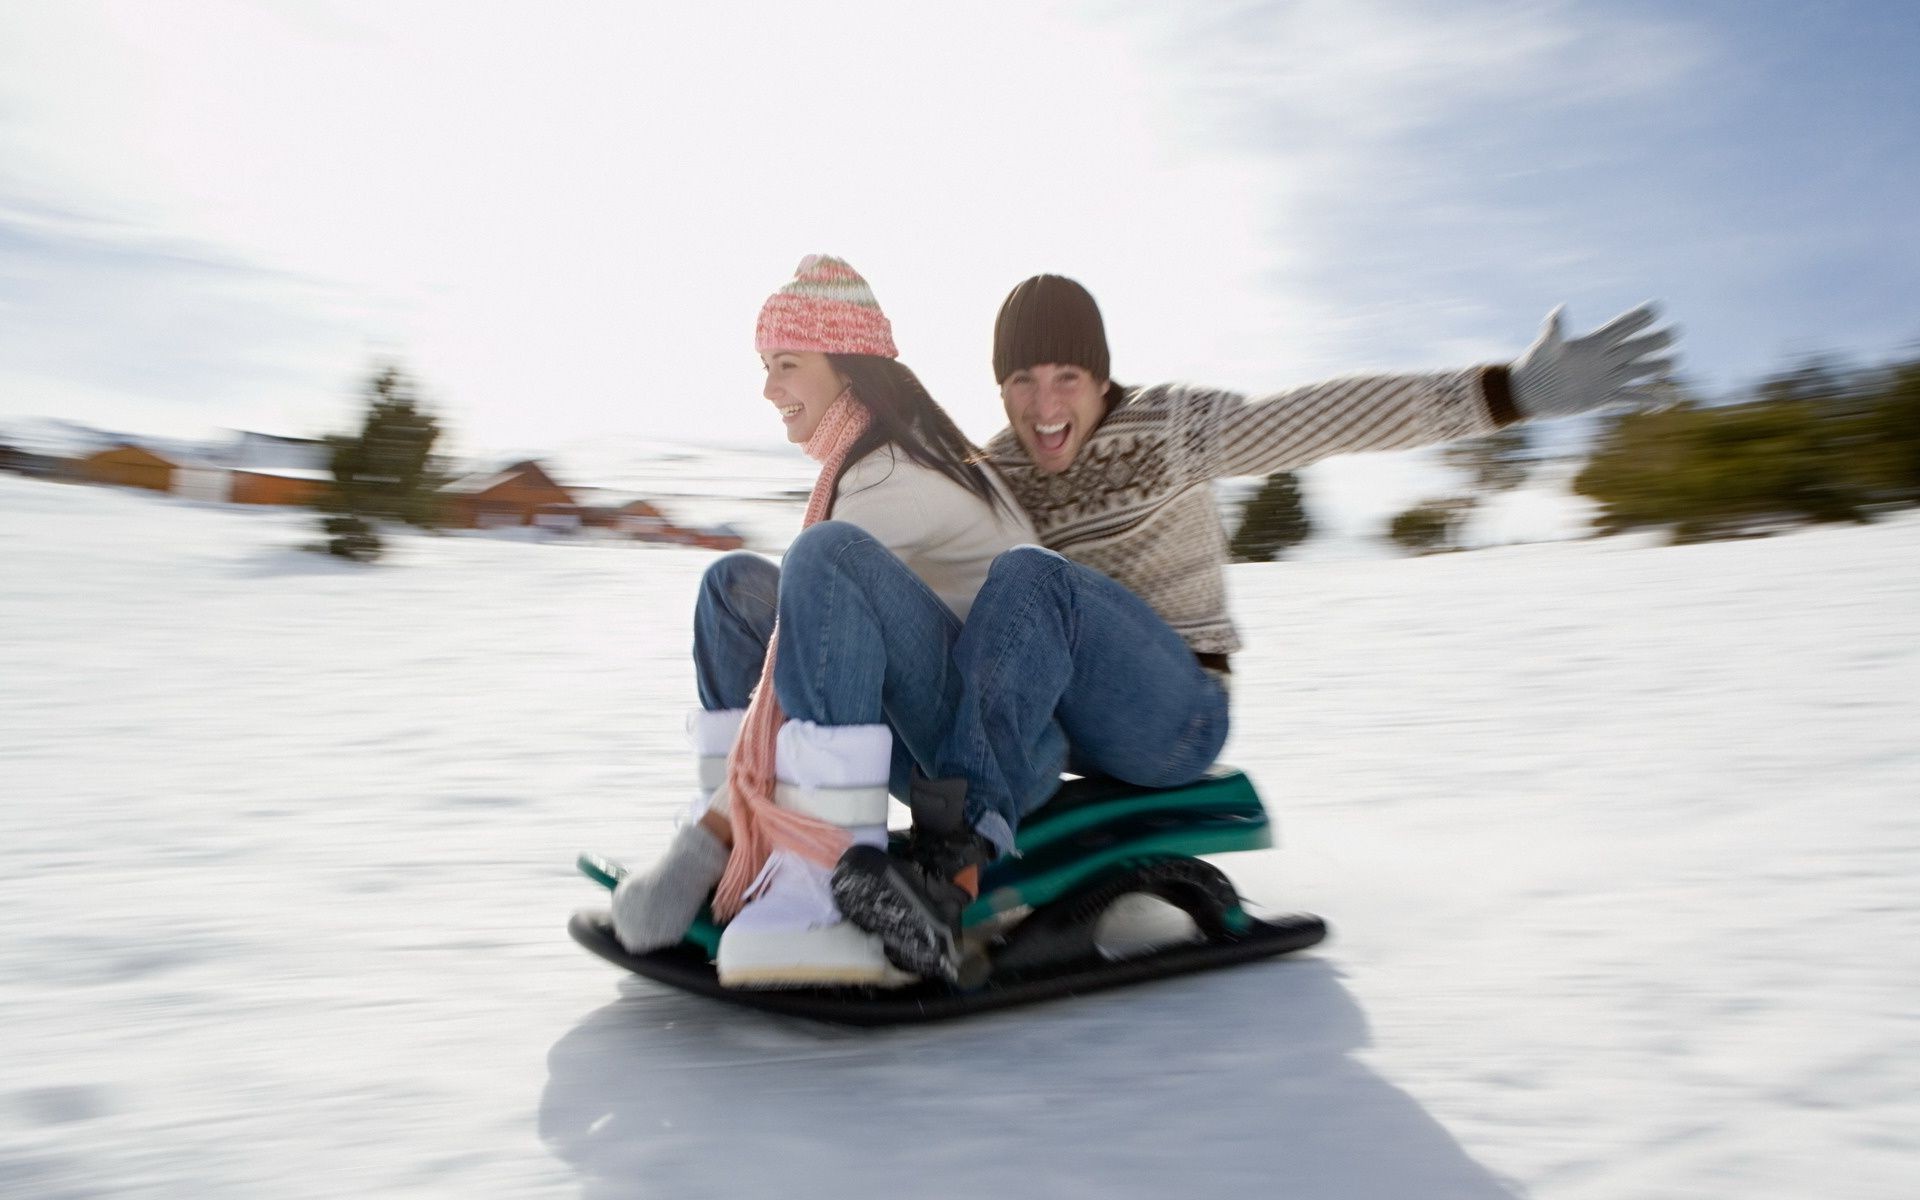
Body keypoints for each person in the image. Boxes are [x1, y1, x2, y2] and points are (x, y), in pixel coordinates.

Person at [832, 273, 1677, 980]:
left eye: (1065, 377)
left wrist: (1511, 392)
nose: (1043, 405)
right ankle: (814, 845)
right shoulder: (998, 468)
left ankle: (948, 878)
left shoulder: (1173, 428)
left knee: (1033, 578)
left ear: (1099, 376)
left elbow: (1328, 414)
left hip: (1171, 716)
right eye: (1021, 381)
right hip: (1058, 727)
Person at [608, 254, 1036, 988]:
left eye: (785, 364)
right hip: (925, 711)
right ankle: (750, 841)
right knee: (732, 588)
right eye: (766, 365)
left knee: (824, 562)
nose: (768, 387)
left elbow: (802, 651)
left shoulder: (890, 472)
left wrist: (700, 843)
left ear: (844, 365)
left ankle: (814, 864)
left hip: (979, 744)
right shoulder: (862, 457)